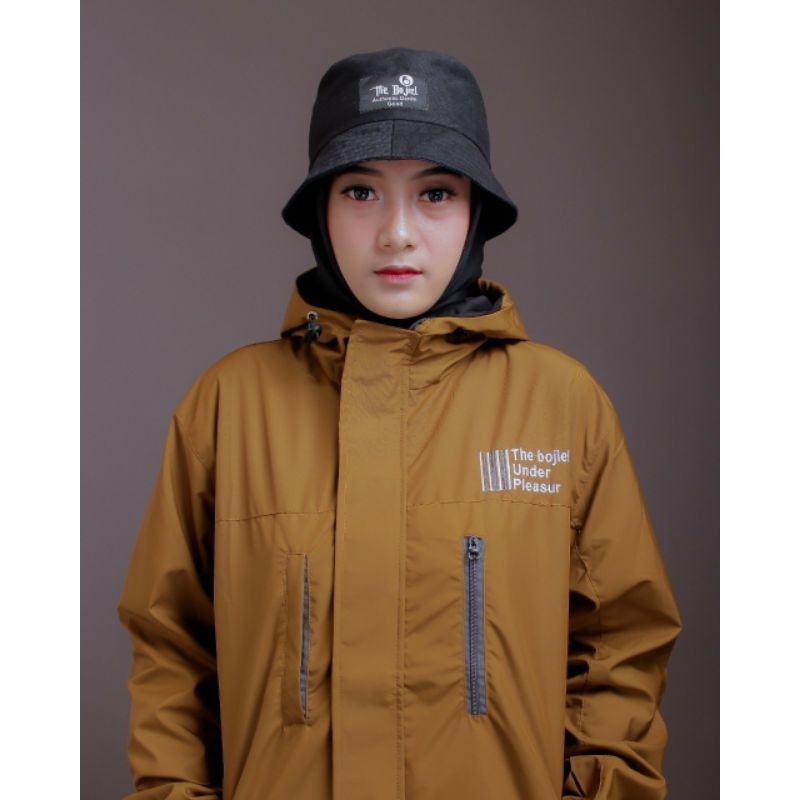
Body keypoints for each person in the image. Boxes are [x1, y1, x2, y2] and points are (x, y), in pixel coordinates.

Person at [119, 47, 681, 800]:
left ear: (476, 211)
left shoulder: (561, 404)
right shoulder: (229, 406)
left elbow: (619, 647)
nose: (397, 233)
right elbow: (171, 652)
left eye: (436, 193)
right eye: (360, 191)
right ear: (319, 211)